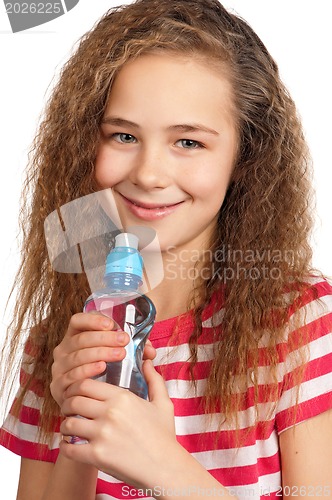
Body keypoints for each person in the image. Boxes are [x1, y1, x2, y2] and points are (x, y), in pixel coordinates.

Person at [1, 0, 332, 498]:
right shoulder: (57, 347)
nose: (149, 174)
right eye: (124, 135)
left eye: (189, 143)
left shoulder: (297, 325)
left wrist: (164, 465)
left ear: (245, 155)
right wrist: (79, 418)